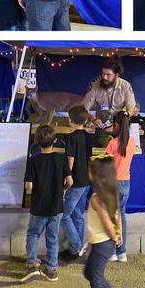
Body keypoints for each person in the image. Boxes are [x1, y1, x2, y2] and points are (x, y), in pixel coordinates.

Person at [22, 124, 72, 283]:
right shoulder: (61, 158)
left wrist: (31, 186)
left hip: (38, 206)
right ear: (55, 141)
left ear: (36, 141)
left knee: (33, 234)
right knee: (52, 237)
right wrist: (63, 189)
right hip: (56, 206)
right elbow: (70, 181)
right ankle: (52, 269)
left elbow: (28, 186)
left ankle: (32, 264)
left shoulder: (32, 160)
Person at [83, 154, 127, 288]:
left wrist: (114, 235)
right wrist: (119, 232)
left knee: (95, 279)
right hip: (103, 242)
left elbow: (107, 222)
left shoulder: (97, 199)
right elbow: (118, 213)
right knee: (89, 272)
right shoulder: (112, 191)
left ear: (97, 175)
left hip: (102, 242)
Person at [60, 105, 93, 261]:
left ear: (69, 120)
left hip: (75, 181)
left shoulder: (71, 138)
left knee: (64, 215)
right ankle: (78, 249)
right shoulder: (88, 136)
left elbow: (70, 161)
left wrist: (66, 180)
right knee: (78, 215)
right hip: (86, 179)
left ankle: (76, 245)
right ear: (86, 120)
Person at [83, 54, 137, 147]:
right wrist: (93, 119)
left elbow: (131, 109)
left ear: (116, 75)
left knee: (122, 148)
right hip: (102, 126)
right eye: (103, 73)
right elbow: (84, 107)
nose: (104, 77)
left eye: (108, 75)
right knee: (104, 147)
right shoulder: (95, 86)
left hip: (120, 125)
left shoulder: (125, 86)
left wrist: (119, 123)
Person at [105, 111, 136, 263]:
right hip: (126, 182)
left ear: (116, 125)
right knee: (121, 215)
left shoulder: (111, 144)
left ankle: (112, 251)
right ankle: (121, 251)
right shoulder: (132, 142)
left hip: (113, 182)